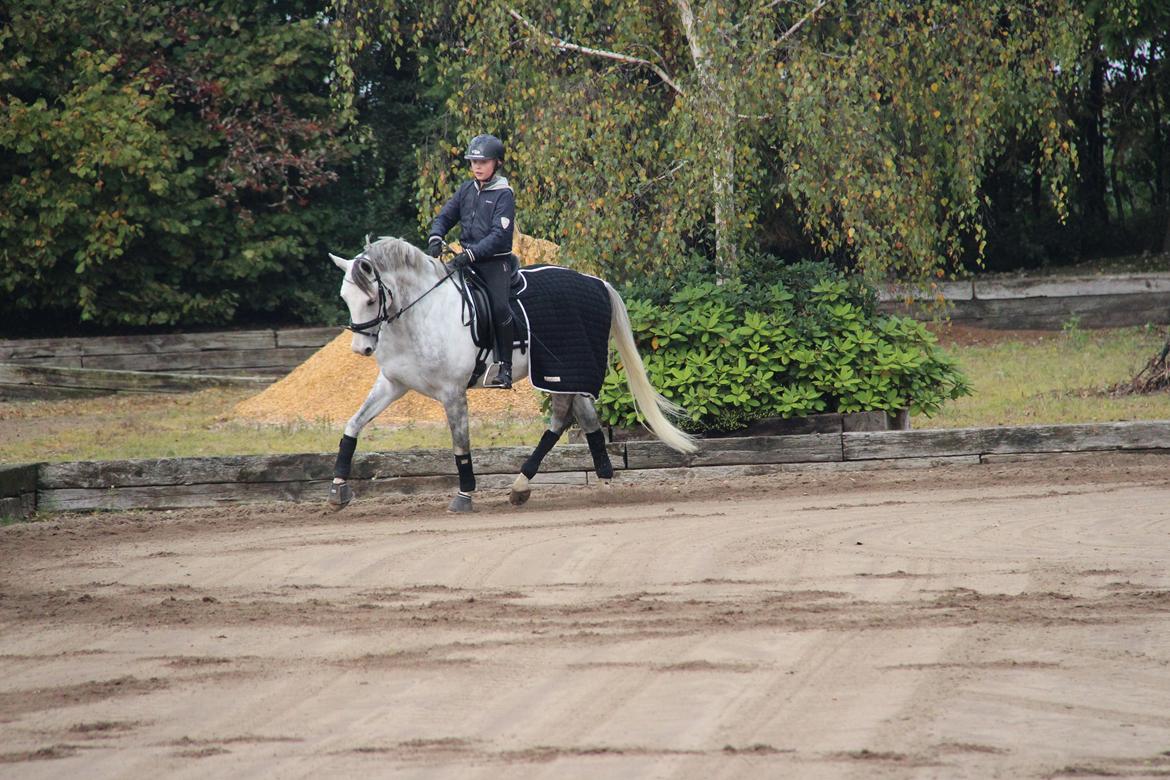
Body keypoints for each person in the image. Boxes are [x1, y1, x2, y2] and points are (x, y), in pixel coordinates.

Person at [427, 134, 517, 389]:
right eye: (473, 161)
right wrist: (436, 235)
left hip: (493, 264)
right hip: (465, 260)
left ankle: (505, 369)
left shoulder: (504, 194)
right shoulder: (466, 189)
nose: (477, 166)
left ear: (497, 163)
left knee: (500, 308)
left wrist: (471, 254)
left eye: (483, 162)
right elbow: (445, 216)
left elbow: (499, 237)